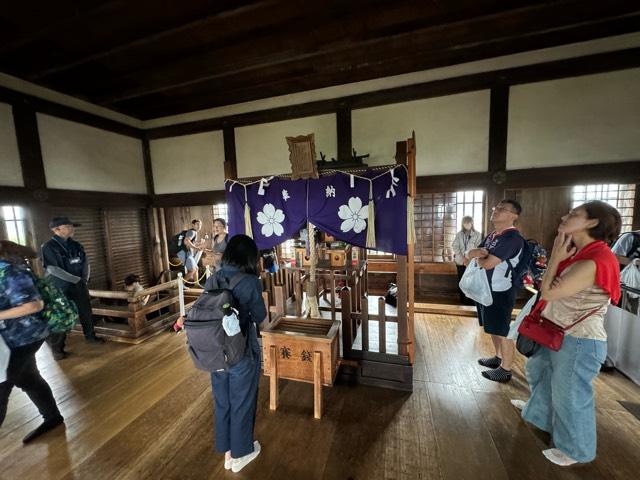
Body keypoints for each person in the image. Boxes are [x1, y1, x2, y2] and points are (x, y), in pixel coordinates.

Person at [514, 200, 621, 466]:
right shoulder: (581, 253)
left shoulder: (595, 260)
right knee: (541, 375)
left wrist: (555, 258)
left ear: (592, 223)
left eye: (574, 214)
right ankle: (537, 415)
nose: (565, 216)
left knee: (571, 395)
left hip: (580, 339)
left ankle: (577, 450)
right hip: (558, 331)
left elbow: (548, 291)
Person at [204, 234, 265, 473]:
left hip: (215, 352)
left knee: (223, 402)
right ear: (249, 257)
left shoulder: (214, 278)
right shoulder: (250, 282)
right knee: (242, 401)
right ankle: (241, 454)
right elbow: (259, 316)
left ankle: (227, 452)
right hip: (241, 352)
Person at [0, 241, 64, 444]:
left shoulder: (11, 272)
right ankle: (52, 417)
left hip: (25, 337)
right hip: (11, 339)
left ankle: (52, 417)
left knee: (2, 386)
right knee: (28, 378)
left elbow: (33, 305)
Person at [466, 199, 525, 383]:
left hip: (501, 289)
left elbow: (487, 262)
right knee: (492, 327)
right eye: (496, 208)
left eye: (502, 209)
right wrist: (477, 255)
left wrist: (478, 257)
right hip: (487, 288)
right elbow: (472, 254)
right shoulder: (493, 236)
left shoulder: (512, 238)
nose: (496, 211)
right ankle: (498, 358)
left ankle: (506, 369)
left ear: (513, 216)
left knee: (502, 329)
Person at [41, 217, 103, 360]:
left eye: (72, 226)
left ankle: (90, 336)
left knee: (85, 310)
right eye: (68, 227)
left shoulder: (76, 245)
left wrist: (85, 278)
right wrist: (76, 279)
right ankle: (57, 349)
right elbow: (53, 268)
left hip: (79, 284)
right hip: (59, 286)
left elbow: (85, 261)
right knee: (61, 316)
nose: (72, 229)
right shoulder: (48, 247)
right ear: (56, 230)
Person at [452, 216, 482, 304]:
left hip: (472, 262)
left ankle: (471, 300)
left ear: (472, 223)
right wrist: (463, 258)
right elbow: (455, 246)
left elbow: (478, 248)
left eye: (468, 223)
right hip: (460, 261)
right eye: (465, 223)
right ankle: (462, 300)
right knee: (461, 280)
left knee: (471, 281)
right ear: (462, 224)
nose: (467, 224)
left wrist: (469, 259)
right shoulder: (459, 234)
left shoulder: (477, 234)